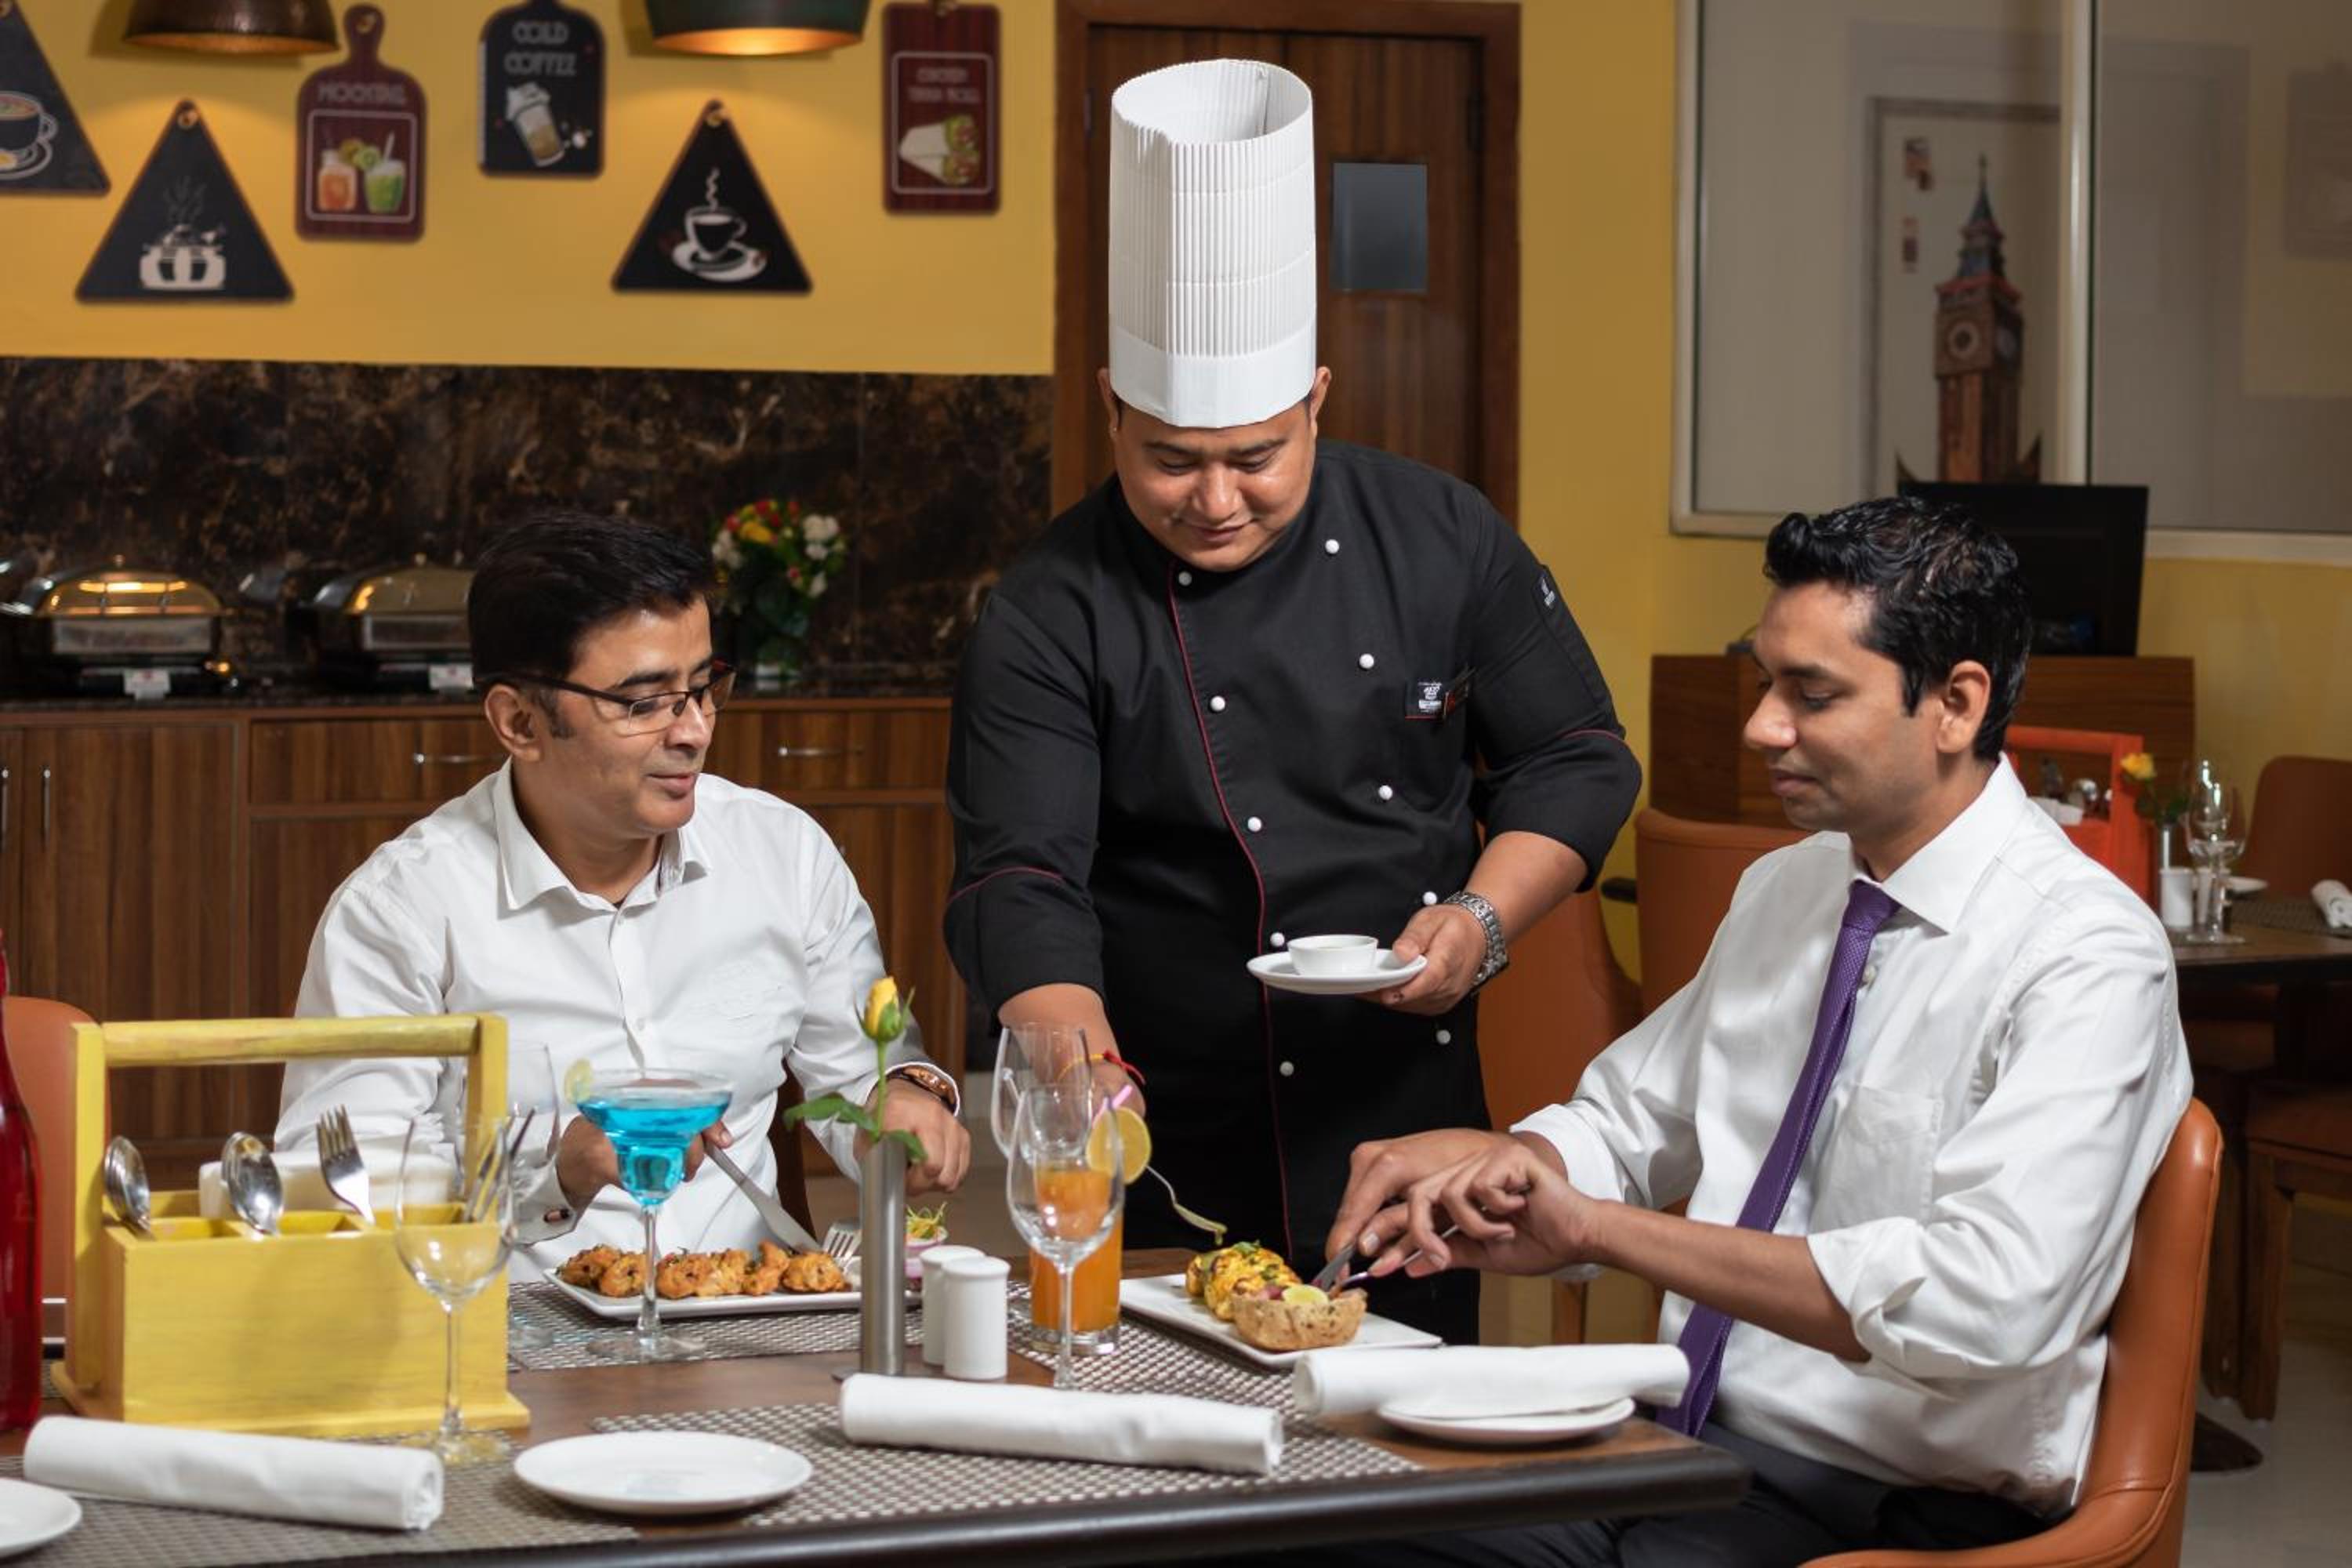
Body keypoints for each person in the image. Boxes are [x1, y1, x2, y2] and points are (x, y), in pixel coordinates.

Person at [1319, 498, 2192, 1564]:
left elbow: (1984, 1302)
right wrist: (1521, 1162)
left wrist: (1597, 1229)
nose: (1762, 727)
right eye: (1767, 682)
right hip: (1689, 1451)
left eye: (1811, 695)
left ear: (1957, 705)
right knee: (1321, 1517)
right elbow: (1630, 1118)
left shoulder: (2087, 955)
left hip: (1899, 1501)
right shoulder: (1791, 887)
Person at [944, 59, 1639, 1342]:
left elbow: (1579, 758)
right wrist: (1076, 1084)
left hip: (1402, 1115)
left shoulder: (1441, 535)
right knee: (1158, 1426)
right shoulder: (1050, 602)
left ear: (1317, 403)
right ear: (1109, 409)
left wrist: (1482, 921)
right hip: (1159, 1111)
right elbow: (1020, 874)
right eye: (1170, 460)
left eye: (1256, 457)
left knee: (1402, 1433)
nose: (1215, 501)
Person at [277, 510, 969, 1277]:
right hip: (506, 1328)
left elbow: (865, 1074)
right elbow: (336, 1182)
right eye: (644, 702)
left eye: (702, 687)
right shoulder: (402, 910)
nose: (694, 730)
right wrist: (556, 1167)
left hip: (744, 1314)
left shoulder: (782, 855)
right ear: (520, 722)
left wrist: (906, 1101)